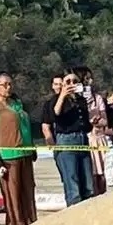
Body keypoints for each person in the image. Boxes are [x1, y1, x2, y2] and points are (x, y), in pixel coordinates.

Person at [0, 71, 36, 225]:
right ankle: (15, 222)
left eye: (10, 84)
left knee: (28, 188)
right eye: (4, 84)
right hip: (8, 155)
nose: (8, 87)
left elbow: (26, 126)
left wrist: (32, 146)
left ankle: (30, 220)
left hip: (25, 152)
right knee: (12, 190)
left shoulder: (16, 103)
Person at [42, 68, 94, 205]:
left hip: (82, 139)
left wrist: (91, 123)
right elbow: (55, 115)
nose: (71, 84)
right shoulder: (55, 100)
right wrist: (63, 96)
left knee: (88, 182)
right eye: (68, 81)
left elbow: (85, 122)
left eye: (75, 81)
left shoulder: (81, 100)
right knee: (72, 181)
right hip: (66, 139)